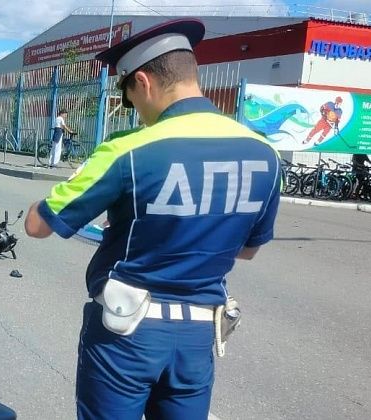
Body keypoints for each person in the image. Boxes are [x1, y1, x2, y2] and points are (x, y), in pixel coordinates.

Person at [23, 18, 281, 419]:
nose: (135, 111)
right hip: (199, 337)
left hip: (127, 336)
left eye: (128, 97)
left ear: (142, 81)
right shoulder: (263, 153)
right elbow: (247, 251)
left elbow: (38, 226)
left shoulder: (127, 149)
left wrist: (68, 186)